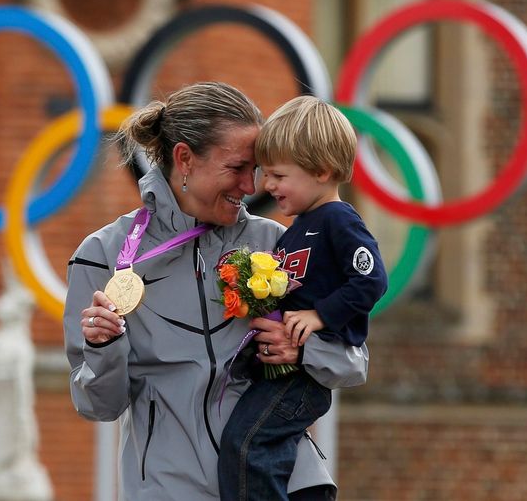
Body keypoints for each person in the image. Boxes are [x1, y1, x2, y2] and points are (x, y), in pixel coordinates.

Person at [64, 82, 370, 501]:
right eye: (237, 168)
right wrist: (103, 346)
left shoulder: (279, 242)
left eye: (259, 170)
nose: (251, 186)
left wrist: (303, 349)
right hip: (171, 490)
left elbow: (354, 363)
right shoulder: (101, 256)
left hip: (283, 485)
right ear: (184, 159)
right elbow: (98, 405)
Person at [218, 95, 388, 500]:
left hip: (304, 377)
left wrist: (319, 316)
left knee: (247, 447)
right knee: (266, 454)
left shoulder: (339, 220)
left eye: (278, 174)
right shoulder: (298, 226)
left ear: (323, 171)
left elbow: (371, 280)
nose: (266, 185)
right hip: (282, 370)